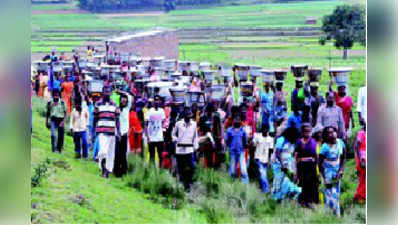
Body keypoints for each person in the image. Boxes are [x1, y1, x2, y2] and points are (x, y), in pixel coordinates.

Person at [319, 126, 347, 217]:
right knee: (330, 194)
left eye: (333, 132)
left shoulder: (340, 143)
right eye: (329, 133)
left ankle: (336, 215)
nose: (332, 134)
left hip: (337, 172)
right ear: (326, 136)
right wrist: (324, 177)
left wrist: (341, 170)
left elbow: (343, 157)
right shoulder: (324, 147)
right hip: (327, 172)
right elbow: (320, 163)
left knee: (336, 193)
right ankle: (330, 216)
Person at [95, 85, 121, 178]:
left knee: (110, 153)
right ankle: (102, 167)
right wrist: (95, 130)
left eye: (108, 91)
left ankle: (107, 171)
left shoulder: (114, 104)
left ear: (111, 93)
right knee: (103, 151)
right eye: (105, 91)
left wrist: (119, 132)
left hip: (112, 131)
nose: (107, 93)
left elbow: (117, 119)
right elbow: (95, 117)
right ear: (102, 93)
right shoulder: (98, 104)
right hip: (102, 131)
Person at [271, 127, 302, 201]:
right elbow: (278, 153)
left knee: (288, 181)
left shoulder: (292, 143)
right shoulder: (281, 140)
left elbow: (292, 156)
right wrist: (282, 166)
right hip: (278, 164)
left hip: (288, 164)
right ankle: (276, 198)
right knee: (278, 182)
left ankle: (284, 196)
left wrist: (294, 170)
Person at [172, 108, 199, 190]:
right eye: (187, 116)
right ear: (184, 115)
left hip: (189, 148)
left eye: (190, 116)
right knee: (181, 168)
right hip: (180, 149)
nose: (188, 117)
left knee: (191, 167)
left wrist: (195, 147)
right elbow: (173, 134)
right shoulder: (178, 124)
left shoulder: (194, 124)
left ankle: (189, 183)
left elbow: (195, 136)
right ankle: (182, 183)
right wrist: (176, 139)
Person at [295, 123, 319, 207]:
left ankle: (313, 205)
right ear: (302, 132)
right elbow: (296, 157)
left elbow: (316, 156)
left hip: (311, 169)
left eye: (309, 131)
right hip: (302, 169)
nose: (307, 133)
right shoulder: (299, 142)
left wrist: (317, 169)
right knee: (303, 187)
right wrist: (296, 173)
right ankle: (304, 205)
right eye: (305, 131)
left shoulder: (313, 141)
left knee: (312, 187)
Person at [114, 91, 132, 177]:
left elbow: (130, 97)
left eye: (125, 100)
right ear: (120, 100)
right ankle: (116, 171)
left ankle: (123, 171)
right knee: (117, 153)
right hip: (117, 134)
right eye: (122, 99)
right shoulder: (116, 108)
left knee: (123, 153)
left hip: (124, 134)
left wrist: (121, 92)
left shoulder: (127, 109)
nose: (123, 101)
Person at [225, 117, 249, 183]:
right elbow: (227, 141)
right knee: (232, 170)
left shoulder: (243, 130)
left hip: (241, 152)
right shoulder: (229, 130)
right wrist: (227, 149)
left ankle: (245, 184)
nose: (237, 121)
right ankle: (232, 183)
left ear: (240, 121)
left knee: (243, 169)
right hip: (232, 152)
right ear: (233, 121)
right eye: (236, 120)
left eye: (238, 120)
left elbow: (245, 141)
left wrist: (246, 147)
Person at [145, 95, 166, 167]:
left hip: (159, 137)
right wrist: (147, 136)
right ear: (153, 102)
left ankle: (160, 170)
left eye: (158, 100)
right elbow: (146, 124)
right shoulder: (149, 111)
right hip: (152, 137)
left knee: (160, 155)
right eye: (155, 100)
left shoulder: (162, 111)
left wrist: (162, 133)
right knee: (152, 156)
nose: (157, 102)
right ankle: (152, 170)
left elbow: (163, 122)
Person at [253, 125, 274, 193]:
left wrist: (269, 160)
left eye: (266, 129)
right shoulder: (257, 136)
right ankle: (266, 189)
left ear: (268, 130)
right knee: (262, 174)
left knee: (262, 174)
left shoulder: (270, 139)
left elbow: (271, 151)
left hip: (265, 159)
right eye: (264, 129)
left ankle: (262, 188)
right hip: (258, 158)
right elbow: (253, 145)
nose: (265, 131)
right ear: (262, 130)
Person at [353, 122, 366, 203]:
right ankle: (359, 196)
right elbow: (357, 146)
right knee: (363, 179)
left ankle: (363, 196)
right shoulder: (361, 133)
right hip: (363, 159)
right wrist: (359, 160)